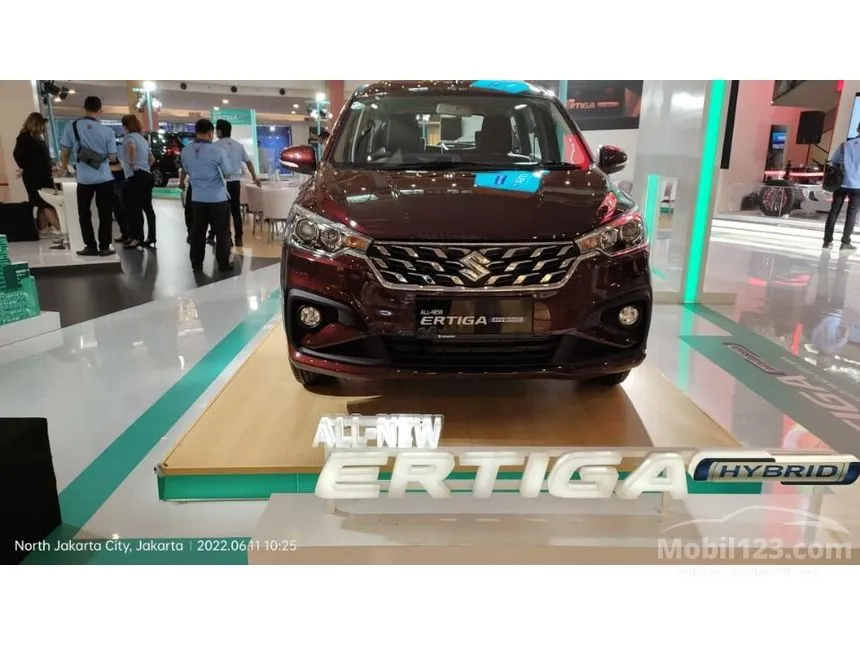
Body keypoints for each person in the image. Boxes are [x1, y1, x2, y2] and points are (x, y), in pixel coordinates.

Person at [59, 96, 118, 256]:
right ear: (100, 110)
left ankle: (90, 246)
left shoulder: (71, 126)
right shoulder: (108, 131)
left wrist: (63, 168)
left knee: (84, 213)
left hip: (83, 179)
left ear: (84, 108)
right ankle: (104, 247)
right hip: (104, 178)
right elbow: (113, 157)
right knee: (105, 213)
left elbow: (65, 151)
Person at [181, 119, 233, 272]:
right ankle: (223, 263)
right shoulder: (217, 151)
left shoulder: (186, 151)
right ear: (210, 133)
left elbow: (186, 169)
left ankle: (196, 263)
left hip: (197, 197)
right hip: (218, 198)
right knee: (222, 232)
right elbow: (228, 173)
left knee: (198, 231)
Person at [13, 112, 62, 238]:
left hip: (43, 175)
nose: (43, 128)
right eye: (42, 125)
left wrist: (51, 164)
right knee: (46, 202)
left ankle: (43, 229)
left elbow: (43, 156)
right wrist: (26, 167)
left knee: (41, 203)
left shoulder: (37, 138)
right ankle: (61, 230)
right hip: (35, 177)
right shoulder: (24, 138)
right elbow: (17, 155)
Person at [214, 119, 261, 247]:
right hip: (235, 182)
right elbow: (249, 162)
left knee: (223, 212)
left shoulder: (215, 146)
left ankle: (227, 238)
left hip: (220, 183)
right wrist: (254, 177)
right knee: (236, 211)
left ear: (219, 131)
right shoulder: (238, 146)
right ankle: (239, 238)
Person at [119, 114, 157, 249]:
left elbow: (131, 147)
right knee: (148, 208)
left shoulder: (128, 137)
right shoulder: (142, 139)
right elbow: (152, 159)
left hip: (135, 176)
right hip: (147, 175)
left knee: (133, 208)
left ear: (125, 126)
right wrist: (145, 168)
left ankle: (136, 238)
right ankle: (151, 237)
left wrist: (133, 164)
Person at [824, 123, 860, 251]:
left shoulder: (845, 145)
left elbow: (833, 162)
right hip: (857, 186)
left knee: (834, 211)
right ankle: (845, 242)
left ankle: (827, 241)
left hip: (840, 183)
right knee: (852, 213)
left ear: (857, 129)